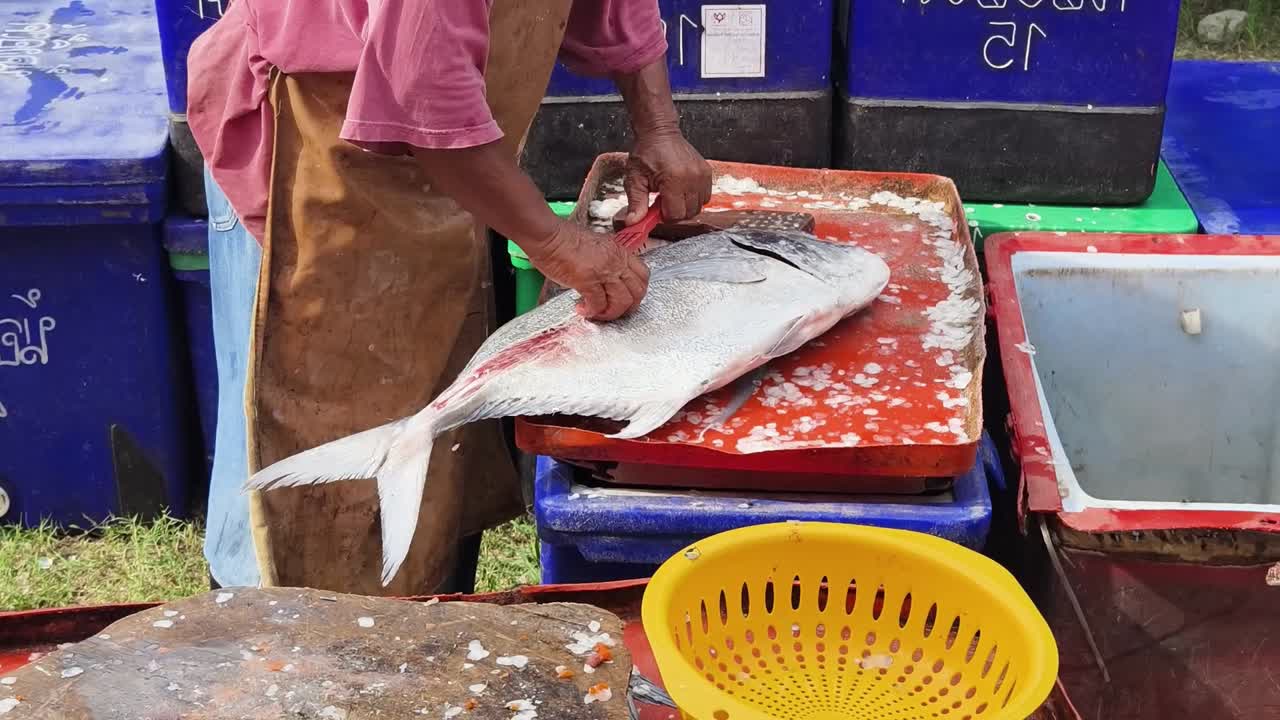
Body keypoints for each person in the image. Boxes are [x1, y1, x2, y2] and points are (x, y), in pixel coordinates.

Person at [187, 0, 713, 595]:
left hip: (443, 165)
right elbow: (422, 90)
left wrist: (659, 127)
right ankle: (267, 638)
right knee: (301, 440)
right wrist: (555, 241)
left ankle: (424, 608)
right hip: (319, 151)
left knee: (428, 437)